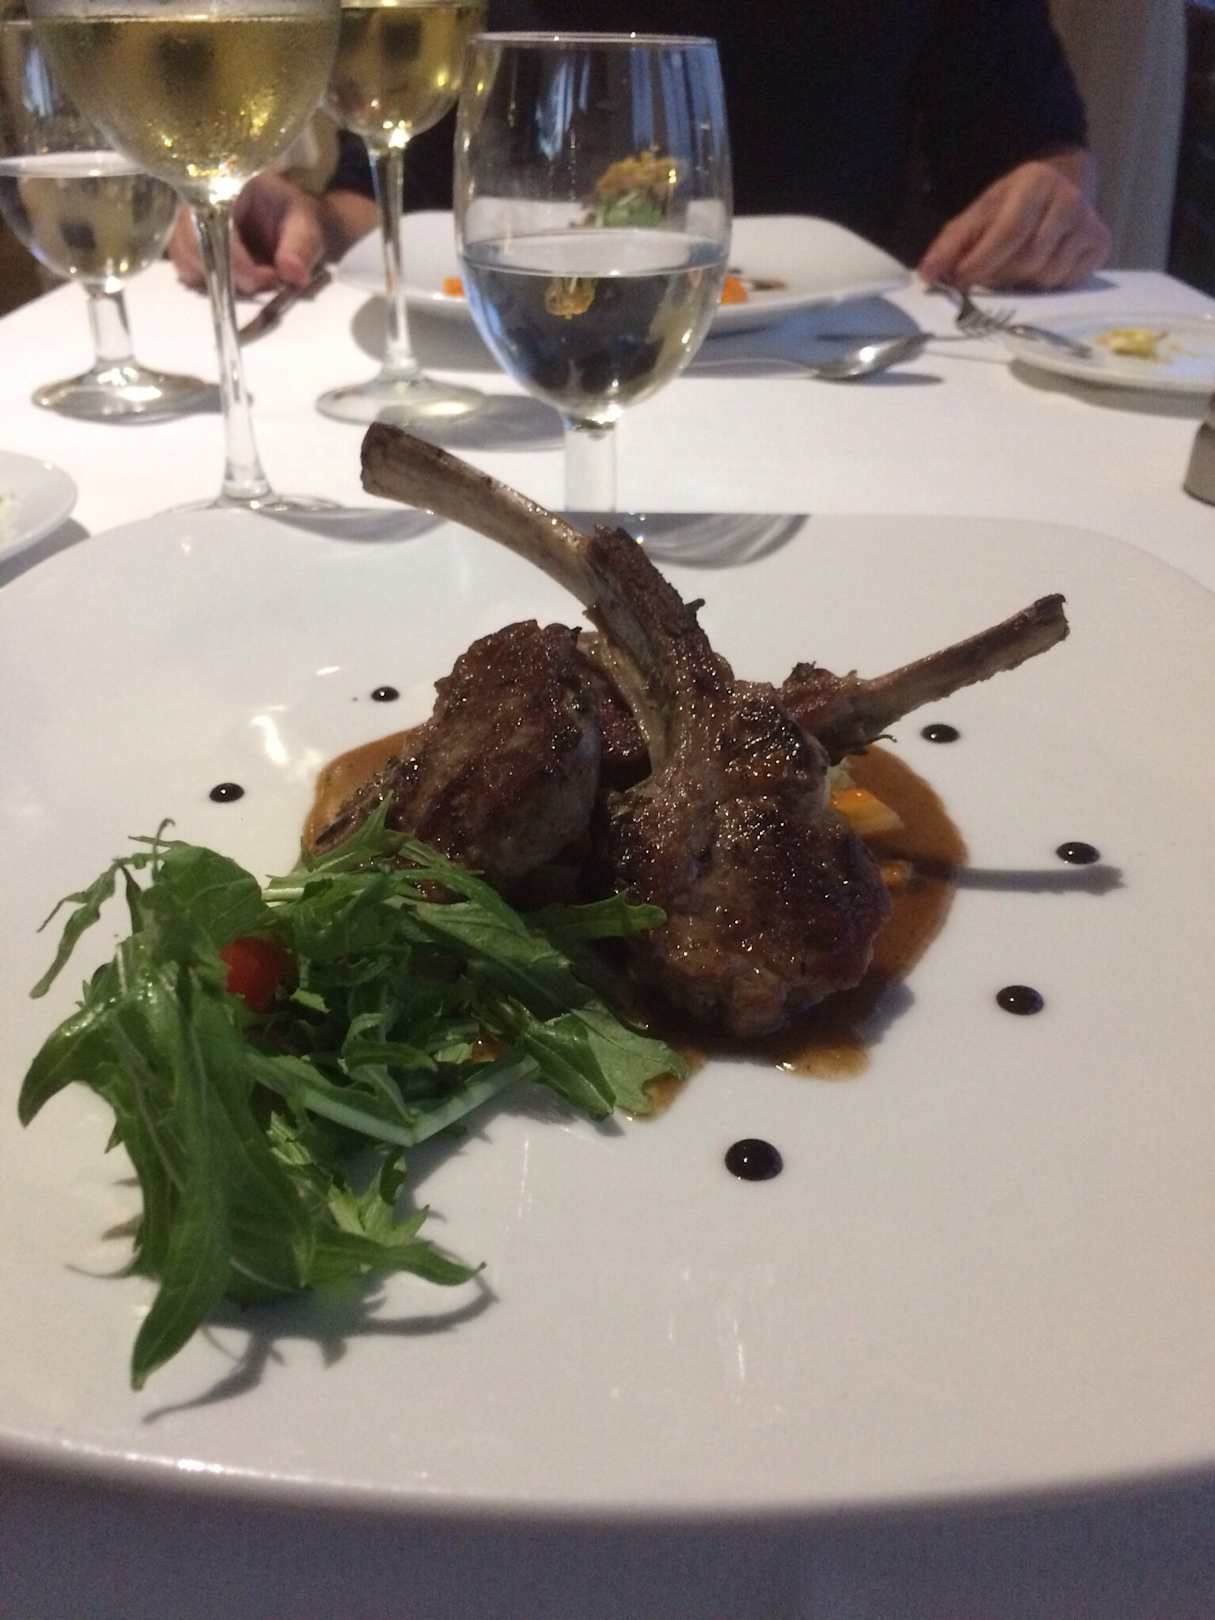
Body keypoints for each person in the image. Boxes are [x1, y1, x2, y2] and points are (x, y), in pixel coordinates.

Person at [170, 0, 1111, 295]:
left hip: (826, 368)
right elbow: (387, 190)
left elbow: (1030, 148)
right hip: (509, 367)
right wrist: (303, 219)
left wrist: (1050, 198)